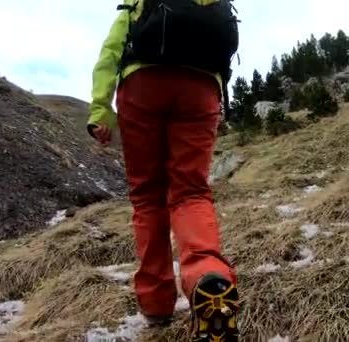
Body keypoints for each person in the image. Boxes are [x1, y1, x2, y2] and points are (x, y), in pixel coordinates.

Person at [86, 1, 240, 340]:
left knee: (147, 197)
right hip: (201, 87)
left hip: (143, 85)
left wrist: (100, 108)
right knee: (191, 191)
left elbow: (111, 50)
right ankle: (208, 275)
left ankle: (156, 303)